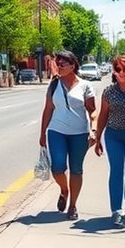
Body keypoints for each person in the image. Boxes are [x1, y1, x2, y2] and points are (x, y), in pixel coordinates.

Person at [39, 50, 97, 221]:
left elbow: (92, 111)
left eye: (63, 63)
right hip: (56, 132)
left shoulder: (85, 86)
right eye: (57, 63)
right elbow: (48, 110)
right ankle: (64, 190)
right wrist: (42, 133)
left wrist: (93, 130)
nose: (59, 66)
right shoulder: (53, 85)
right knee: (57, 168)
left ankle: (72, 206)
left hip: (79, 133)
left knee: (76, 170)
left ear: (72, 66)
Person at [92, 55, 125, 228]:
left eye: (124, 69)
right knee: (116, 170)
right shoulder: (109, 91)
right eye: (117, 69)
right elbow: (103, 116)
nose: (121, 73)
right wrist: (98, 137)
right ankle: (116, 210)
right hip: (114, 134)